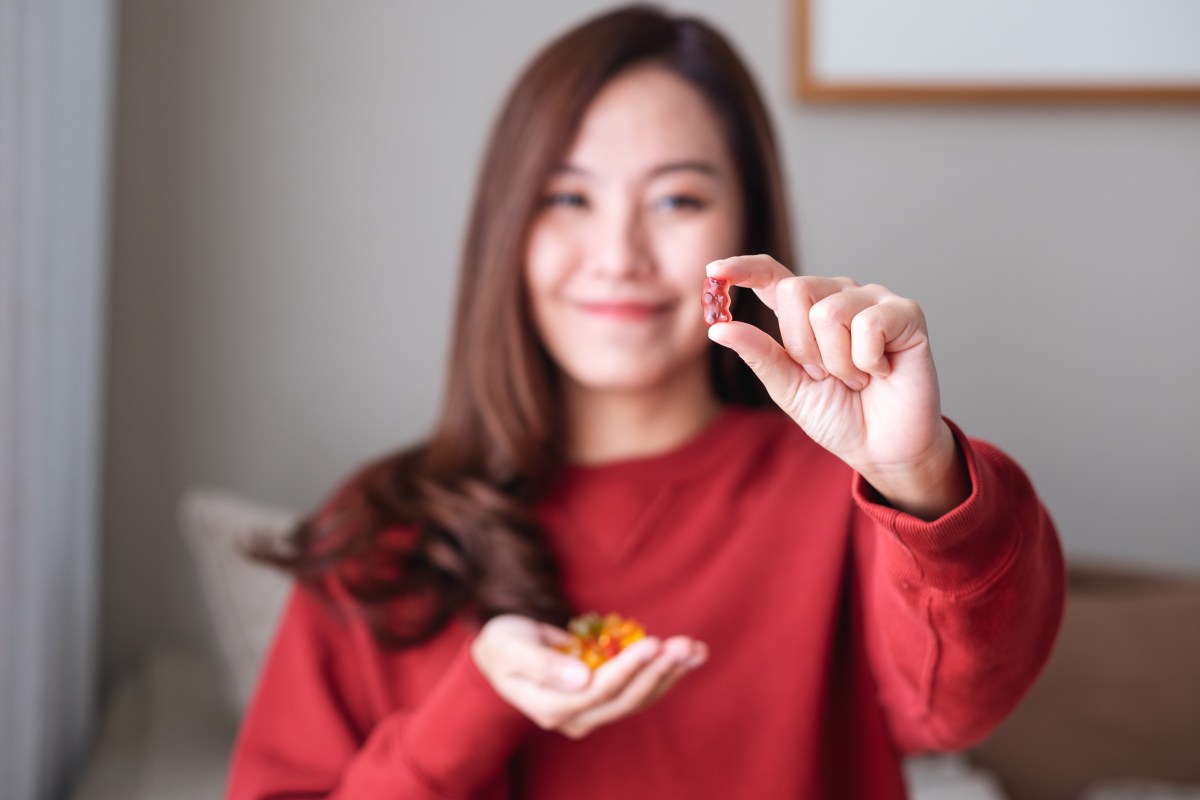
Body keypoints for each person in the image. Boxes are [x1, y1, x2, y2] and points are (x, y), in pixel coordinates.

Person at [227, 6, 1065, 799]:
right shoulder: (384, 527)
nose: (619, 254)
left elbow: (957, 702)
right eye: (567, 198)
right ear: (507, 229)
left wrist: (918, 474)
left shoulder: (848, 496)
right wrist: (471, 706)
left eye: (677, 200)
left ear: (746, 229)